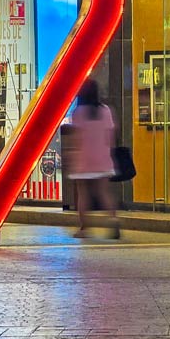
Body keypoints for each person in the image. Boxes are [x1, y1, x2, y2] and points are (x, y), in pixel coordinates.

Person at [68, 78, 120, 239]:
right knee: (104, 192)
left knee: (83, 194)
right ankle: (113, 220)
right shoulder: (105, 110)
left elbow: (76, 138)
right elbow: (111, 136)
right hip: (102, 157)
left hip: (84, 158)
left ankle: (85, 228)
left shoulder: (78, 113)